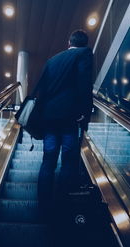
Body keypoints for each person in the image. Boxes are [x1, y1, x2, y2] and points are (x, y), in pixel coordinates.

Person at [33, 29, 93, 221]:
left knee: (48, 159)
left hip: (49, 118)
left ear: (69, 42)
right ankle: (62, 203)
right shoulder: (84, 54)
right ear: (85, 43)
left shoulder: (52, 60)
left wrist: (41, 117)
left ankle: (43, 204)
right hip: (69, 118)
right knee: (68, 159)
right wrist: (85, 114)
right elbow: (85, 85)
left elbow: (41, 89)